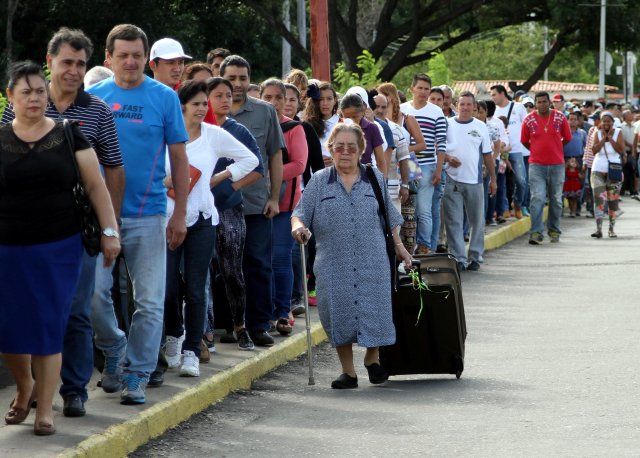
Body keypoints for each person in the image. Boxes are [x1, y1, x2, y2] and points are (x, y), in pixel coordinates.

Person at [1, 27, 125, 419]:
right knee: (19, 318)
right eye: (66, 62)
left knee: (72, 312)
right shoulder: (14, 112)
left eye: (81, 63)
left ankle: (72, 392)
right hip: (14, 240)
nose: (73, 70)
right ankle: (32, 390)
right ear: (50, 62)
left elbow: (109, 174)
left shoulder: (96, 112)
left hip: (68, 236)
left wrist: (110, 229)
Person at [88, 24, 190, 404]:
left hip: (149, 215)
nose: (130, 61)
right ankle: (114, 347)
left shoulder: (163, 98)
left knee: (150, 301)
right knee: (95, 297)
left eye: (136, 55)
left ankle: (137, 374)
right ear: (108, 58)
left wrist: (179, 213)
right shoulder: (93, 98)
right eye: (123, 54)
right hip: (101, 217)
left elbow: (179, 157)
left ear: (146, 58)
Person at [291, 123, 412, 389]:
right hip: (334, 263)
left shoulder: (375, 178)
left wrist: (401, 249)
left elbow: (391, 220)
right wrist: (298, 227)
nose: (345, 152)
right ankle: (348, 372)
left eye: (351, 147)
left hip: (373, 261)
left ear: (361, 151)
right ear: (331, 149)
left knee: (376, 311)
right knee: (338, 313)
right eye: (339, 147)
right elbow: (299, 213)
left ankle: (372, 358)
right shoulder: (320, 180)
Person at [162, 80, 258, 376]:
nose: (203, 109)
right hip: (165, 219)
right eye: (197, 104)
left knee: (195, 287)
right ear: (181, 108)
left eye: (206, 104)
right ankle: (173, 335)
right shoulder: (164, 134)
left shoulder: (214, 135)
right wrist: (162, 182)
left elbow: (251, 159)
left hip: (202, 218)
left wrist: (221, 177)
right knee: (166, 288)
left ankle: (192, 348)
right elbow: (144, 168)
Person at [220, 55, 285, 346]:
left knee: (258, 264)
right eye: (231, 78)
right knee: (224, 267)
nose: (237, 84)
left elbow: (274, 155)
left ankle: (259, 325)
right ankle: (228, 325)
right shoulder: (208, 110)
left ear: (250, 79)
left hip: (257, 204)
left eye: (242, 78)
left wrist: (274, 197)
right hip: (219, 204)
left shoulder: (265, 111)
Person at [206, 77, 264, 351]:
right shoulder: (196, 129)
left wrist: (232, 185)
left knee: (232, 270)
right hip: (199, 209)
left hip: (229, 208)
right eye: (218, 95)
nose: (225, 100)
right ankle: (204, 332)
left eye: (228, 95)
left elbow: (257, 168)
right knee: (202, 273)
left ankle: (240, 325)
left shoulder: (238, 131)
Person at [259, 79, 308, 335]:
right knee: (259, 261)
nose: (274, 103)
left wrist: (268, 174)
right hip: (253, 203)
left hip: (285, 205)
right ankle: (263, 314)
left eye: (279, 97)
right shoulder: (254, 125)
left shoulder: (293, 128)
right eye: (268, 97)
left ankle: (281, 311)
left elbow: (299, 165)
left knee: (279, 258)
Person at [442, 92, 496, 271]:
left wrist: (493, 179)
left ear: (474, 107)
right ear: (456, 105)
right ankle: (458, 258)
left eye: (469, 104)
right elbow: (438, 149)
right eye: (462, 104)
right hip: (451, 179)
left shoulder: (481, 126)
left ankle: (475, 256)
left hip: (474, 180)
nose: (465, 107)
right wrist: (448, 159)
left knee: (476, 220)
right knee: (453, 221)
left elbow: (487, 155)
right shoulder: (447, 124)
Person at [400, 74, 446, 255]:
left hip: (427, 164)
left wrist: (439, 170)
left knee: (424, 209)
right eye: (420, 88)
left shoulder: (436, 112)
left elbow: (441, 143)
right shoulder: (402, 109)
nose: (423, 92)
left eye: (427, 88)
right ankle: (407, 245)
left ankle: (425, 246)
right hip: (406, 164)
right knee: (406, 208)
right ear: (412, 89)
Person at [521, 91, 572, 245]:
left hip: (557, 165)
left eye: (544, 101)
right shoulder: (529, 119)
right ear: (535, 104)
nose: (542, 104)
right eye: (539, 102)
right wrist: (536, 150)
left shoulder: (560, 117)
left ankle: (554, 230)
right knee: (538, 197)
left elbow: (567, 138)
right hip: (536, 165)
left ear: (549, 102)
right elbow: (524, 140)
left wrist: (555, 148)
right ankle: (536, 232)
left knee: (556, 199)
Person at [491, 84, 528, 219]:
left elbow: (526, 125)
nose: (492, 97)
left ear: (502, 93)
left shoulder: (518, 107)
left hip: (517, 150)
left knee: (521, 181)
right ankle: (505, 208)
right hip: (499, 152)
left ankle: (517, 203)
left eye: (494, 94)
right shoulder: (493, 111)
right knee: (502, 182)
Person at [588, 111, 625, 238]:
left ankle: (611, 229)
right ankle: (598, 229)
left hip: (614, 170)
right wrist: (604, 138)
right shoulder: (596, 133)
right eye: (604, 121)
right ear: (600, 122)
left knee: (612, 200)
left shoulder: (619, 132)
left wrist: (610, 138)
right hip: (597, 170)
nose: (606, 123)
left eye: (608, 121)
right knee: (598, 199)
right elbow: (594, 150)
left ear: (613, 123)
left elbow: (621, 150)